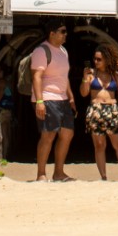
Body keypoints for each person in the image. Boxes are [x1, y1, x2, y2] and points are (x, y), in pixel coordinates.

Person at [79, 43, 118, 182]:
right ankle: (103, 177)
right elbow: (84, 92)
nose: (96, 62)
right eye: (95, 59)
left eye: (99, 59)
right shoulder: (92, 74)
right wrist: (85, 78)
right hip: (96, 109)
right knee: (99, 145)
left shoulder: (114, 74)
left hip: (112, 110)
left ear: (106, 59)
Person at [30, 19, 75, 182]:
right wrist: (40, 101)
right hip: (47, 97)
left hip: (62, 99)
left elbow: (64, 76)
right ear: (52, 33)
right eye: (62, 31)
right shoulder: (41, 51)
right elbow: (37, 76)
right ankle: (41, 174)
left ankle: (58, 172)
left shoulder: (63, 51)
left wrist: (71, 97)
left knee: (67, 134)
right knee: (48, 135)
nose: (65, 34)